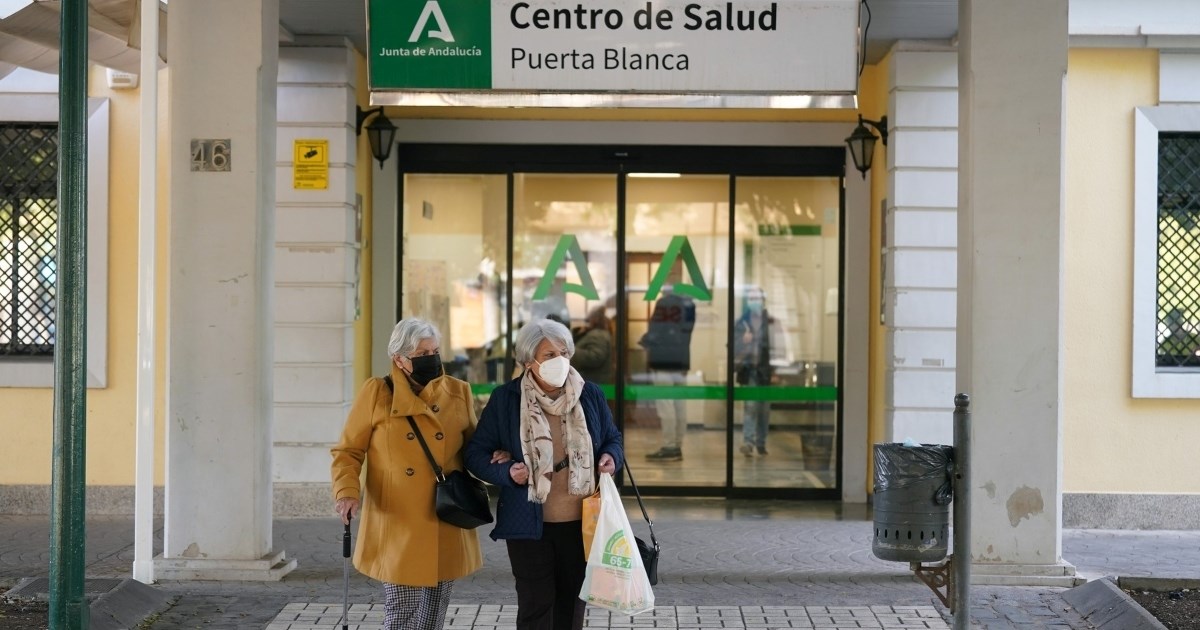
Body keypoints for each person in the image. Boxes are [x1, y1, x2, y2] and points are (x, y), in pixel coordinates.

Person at [465, 319, 624, 630]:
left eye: (564, 352)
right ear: (528, 361)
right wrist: (507, 471)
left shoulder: (589, 395)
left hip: (582, 524)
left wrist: (610, 457)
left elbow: (612, 438)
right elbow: (475, 454)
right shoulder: (506, 400)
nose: (560, 361)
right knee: (536, 607)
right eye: (550, 355)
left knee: (571, 607)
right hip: (528, 524)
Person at [331, 317, 482, 630]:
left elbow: (475, 451)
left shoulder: (458, 393)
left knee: (432, 617)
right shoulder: (376, 393)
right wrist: (346, 492)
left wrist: (502, 463)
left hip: (447, 515)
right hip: (397, 521)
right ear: (399, 359)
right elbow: (348, 451)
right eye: (422, 354)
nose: (432, 359)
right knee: (400, 614)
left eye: (435, 351)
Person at [639, 287, 696, 461]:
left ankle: (669, 445)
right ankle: (678, 444)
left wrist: (645, 340)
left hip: (663, 360)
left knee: (665, 405)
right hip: (682, 361)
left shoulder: (664, 304)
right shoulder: (690, 305)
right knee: (680, 404)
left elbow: (656, 331)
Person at [735, 287, 774, 456]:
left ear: (763, 300)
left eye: (757, 297)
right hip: (749, 369)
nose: (754, 301)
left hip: (766, 370)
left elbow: (779, 346)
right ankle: (748, 442)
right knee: (750, 406)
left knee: (764, 409)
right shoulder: (742, 321)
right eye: (751, 298)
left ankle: (761, 442)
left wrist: (778, 370)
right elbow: (733, 346)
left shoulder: (771, 322)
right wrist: (743, 341)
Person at [570, 306, 614, 385]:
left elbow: (596, 357)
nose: (587, 322)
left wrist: (571, 351)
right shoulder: (598, 333)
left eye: (589, 320)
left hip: (594, 380)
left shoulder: (598, 335)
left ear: (595, 320)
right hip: (595, 380)